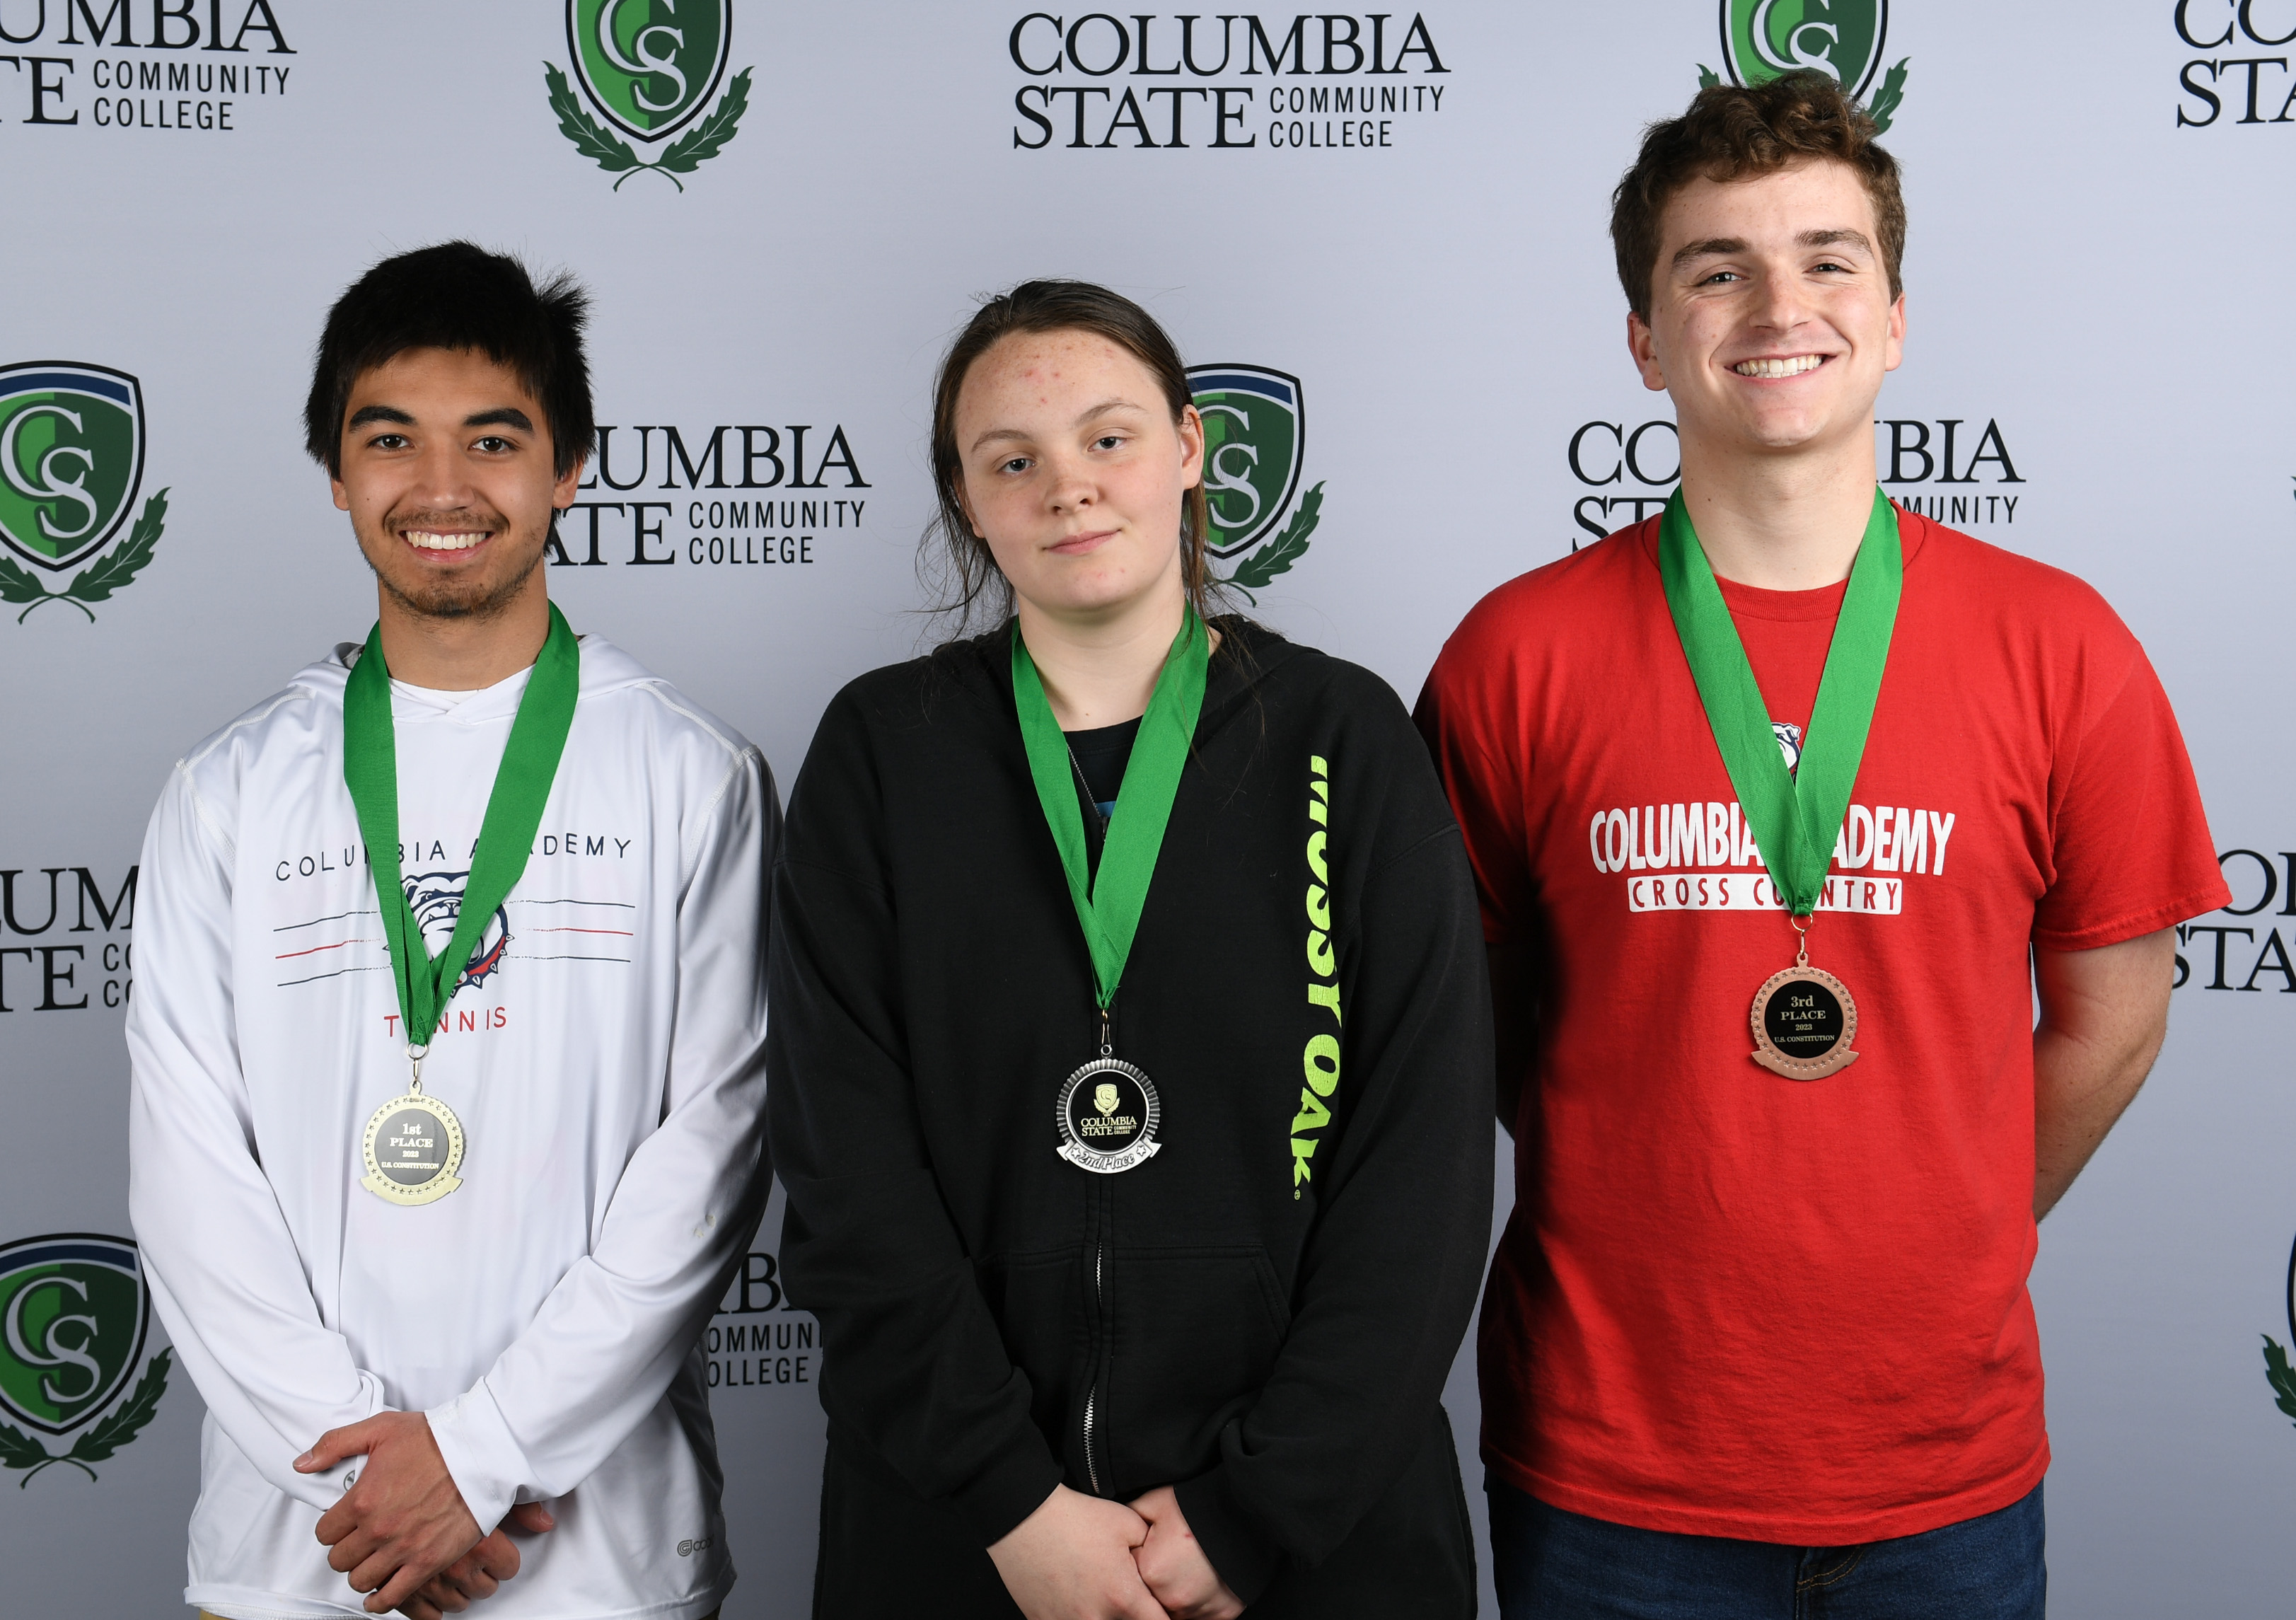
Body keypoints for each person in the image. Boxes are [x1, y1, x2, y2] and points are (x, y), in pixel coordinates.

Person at [1416, 74, 2231, 1619]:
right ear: (1646, 338)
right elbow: (1482, 1035)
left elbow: (2118, 1018)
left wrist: (1946, 1210)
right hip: (1610, 1468)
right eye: (1715, 266)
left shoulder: (2064, 647)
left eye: (1829, 258)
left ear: (1899, 315)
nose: (1776, 303)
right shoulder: (1512, 656)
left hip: (1941, 1461)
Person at [767, 279, 1494, 1620]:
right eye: (1012, 460)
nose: (1068, 487)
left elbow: (1426, 1173)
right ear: (966, 499)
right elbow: (843, 1172)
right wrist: (1013, 1505)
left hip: (1313, 1547)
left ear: (1189, 450)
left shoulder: (1347, 736)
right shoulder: (881, 752)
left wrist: (1256, 1506)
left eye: (1108, 438)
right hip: (964, 1545)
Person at [126, 243, 775, 1620]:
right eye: (390, 440)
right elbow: (189, 1184)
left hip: (595, 1563)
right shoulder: (227, 791)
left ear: (572, 463)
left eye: (493, 439)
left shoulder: (690, 772)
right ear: (337, 471)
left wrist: (480, 1460)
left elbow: (712, 1152)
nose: (441, 488)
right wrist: (376, 1495)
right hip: (302, 1559)